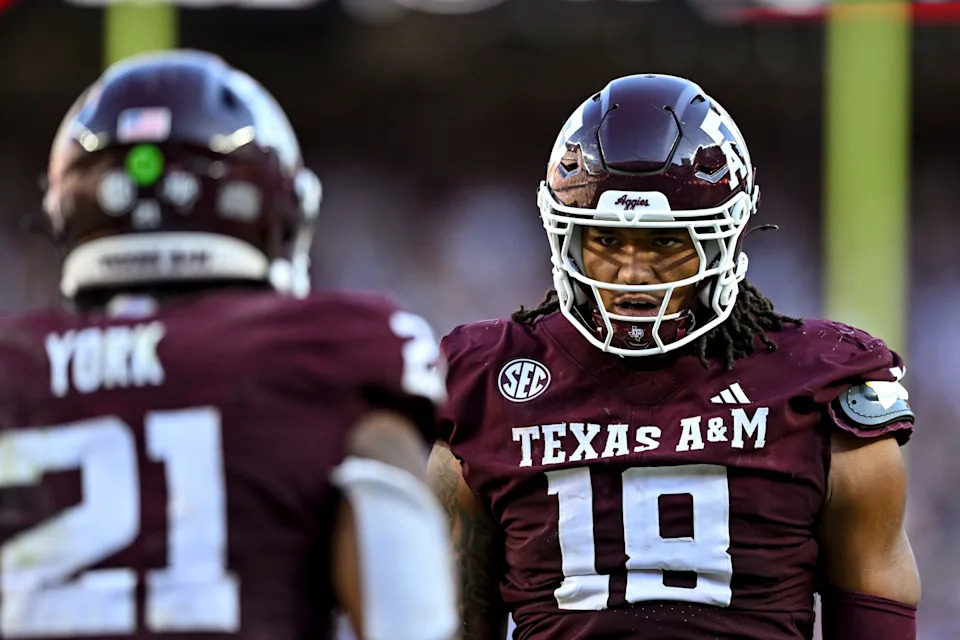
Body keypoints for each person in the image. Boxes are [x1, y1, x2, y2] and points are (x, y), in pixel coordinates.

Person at [430, 73, 920, 639]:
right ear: (568, 236)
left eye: (665, 242)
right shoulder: (486, 383)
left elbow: (874, 605)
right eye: (608, 241)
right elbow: (450, 619)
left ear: (722, 237)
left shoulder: (822, 386)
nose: (634, 274)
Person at [0, 50, 456, 640]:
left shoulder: (14, 366)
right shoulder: (330, 352)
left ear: (68, 212)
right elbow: (407, 622)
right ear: (276, 213)